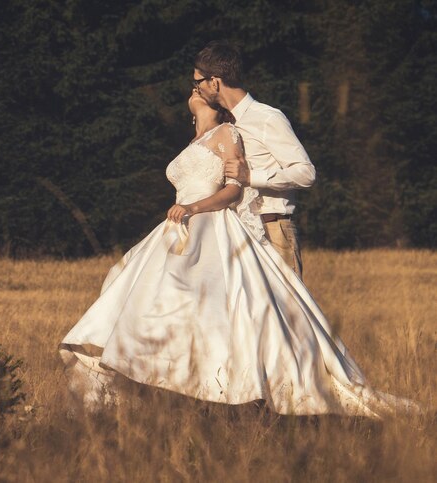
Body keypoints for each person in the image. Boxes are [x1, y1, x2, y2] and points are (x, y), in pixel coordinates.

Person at [59, 92, 419, 419]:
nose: (193, 89)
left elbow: (234, 191)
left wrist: (195, 206)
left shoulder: (230, 133)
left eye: (199, 83)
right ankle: (158, 382)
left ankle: (241, 394)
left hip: (206, 220)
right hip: (179, 224)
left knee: (231, 308)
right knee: (148, 296)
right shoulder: (195, 140)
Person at [193, 40, 315, 278]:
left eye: (198, 82)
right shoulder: (225, 125)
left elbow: (306, 173)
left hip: (272, 230)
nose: (195, 89)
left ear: (215, 82)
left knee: (286, 312)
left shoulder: (267, 118)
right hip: (236, 235)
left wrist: (250, 177)